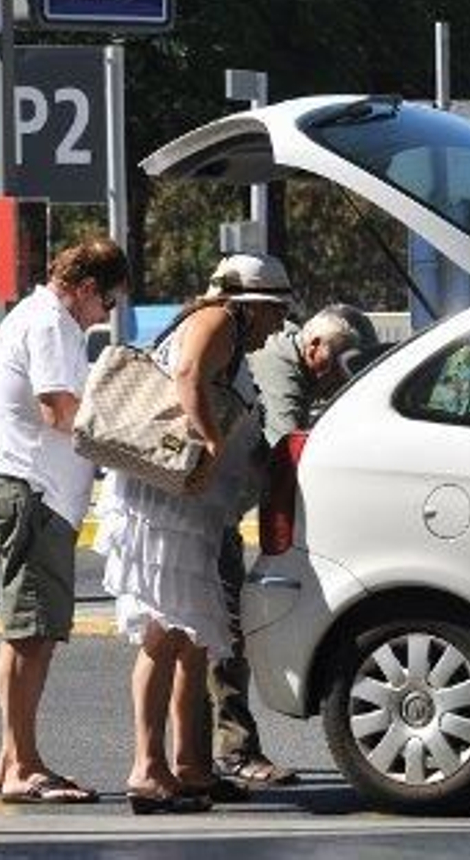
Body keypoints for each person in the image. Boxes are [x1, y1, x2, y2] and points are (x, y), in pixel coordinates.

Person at [94, 254, 292, 814]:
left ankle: (190, 767)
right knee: (164, 636)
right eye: (275, 311)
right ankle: (147, 770)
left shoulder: (230, 331)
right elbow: (187, 377)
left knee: (192, 639)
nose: (278, 325)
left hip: (191, 509)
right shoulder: (219, 319)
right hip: (167, 507)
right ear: (253, 305)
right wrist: (209, 442)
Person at [0, 236, 130, 805]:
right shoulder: (51, 326)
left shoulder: (41, 319)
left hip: (31, 494)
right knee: (31, 637)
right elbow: (59, 410)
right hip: (33, 494)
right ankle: (25, 767)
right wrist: (126, 435)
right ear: (87, 288)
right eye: (108, 303)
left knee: (25, 634)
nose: (106, 315)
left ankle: (9, 759)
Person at [208, 304, 378, 789]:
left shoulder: (290, 357)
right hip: (205, 514)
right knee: (224, 634)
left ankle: (196, 760)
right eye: (340, 362)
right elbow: (288, 455)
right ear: (316, 346)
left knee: (207, 636)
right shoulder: (283, 365)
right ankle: (232, 752)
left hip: (212, 512)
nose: (338, 377)